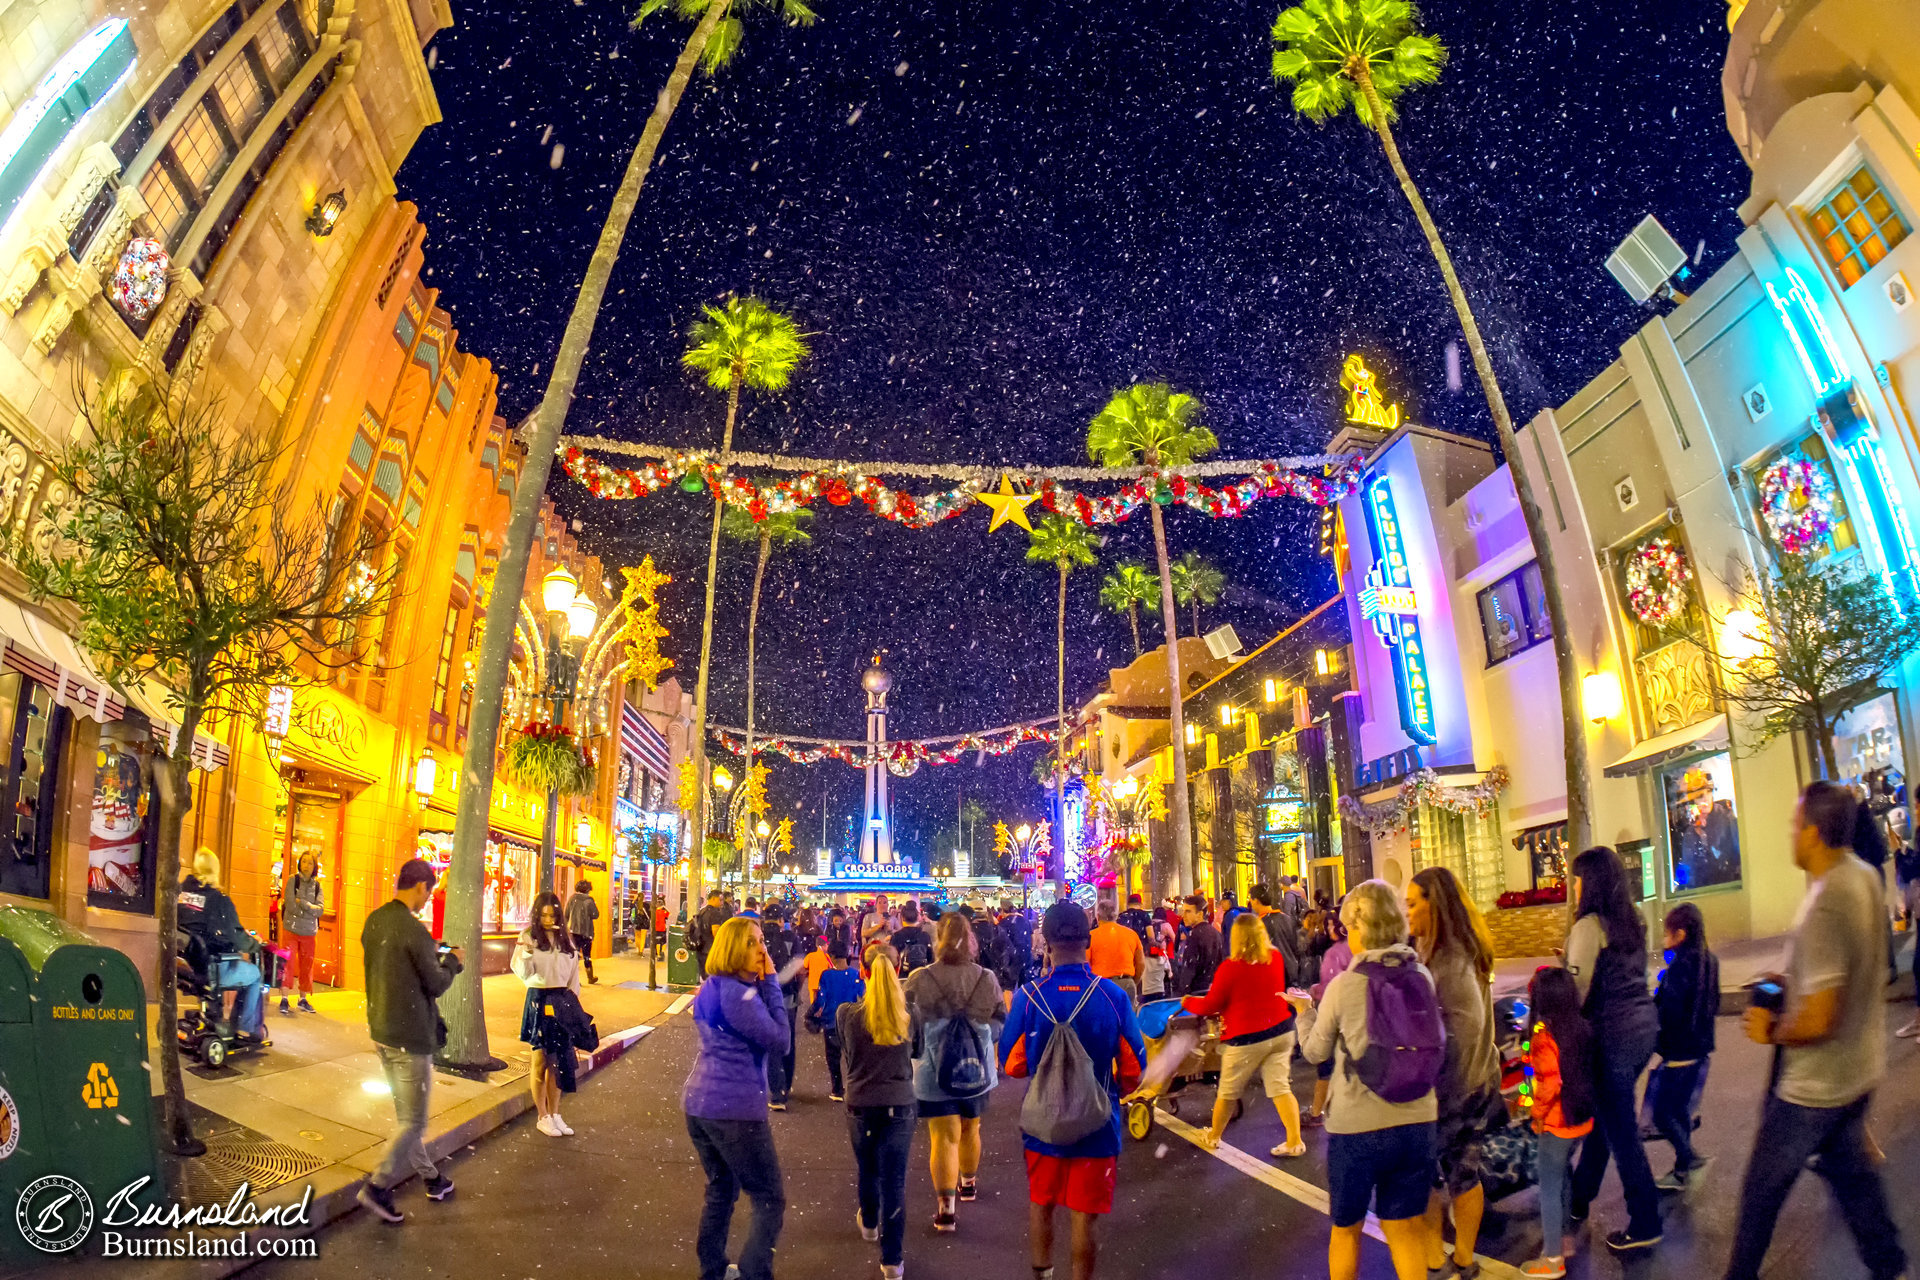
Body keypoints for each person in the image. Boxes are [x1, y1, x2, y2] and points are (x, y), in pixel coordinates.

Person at [1723, 782, 1907, 1280]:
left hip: (1813, 1090)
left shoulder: (1827, 901)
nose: (1790, 833)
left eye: (1794, 824)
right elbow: (1851, 964)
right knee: (1854, 1180)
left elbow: (1821, 1016)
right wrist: (1790, 979)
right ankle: (1889, 1264)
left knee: (1760, 1194)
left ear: (1814, 833)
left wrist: (1772, 1029)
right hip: (1857, 1072)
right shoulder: (1864, 875)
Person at [1294, 880, 1438, 1280]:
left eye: (1349, 926)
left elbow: (1315, 1052)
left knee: (1347, 1229)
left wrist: (1304, 1012)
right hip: (1418, 1118)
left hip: (1358, 1127)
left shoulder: (1344, 986)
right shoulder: (1421, 975)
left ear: (1361, 927)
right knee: (1405, 1228)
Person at [1001, 902, 1146, 1280]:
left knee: (1042, 1205)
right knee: (1085, 1218)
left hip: (1043, 1123)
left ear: (1046, 944)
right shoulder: (1113, 997)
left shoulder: (1029, 996)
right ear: (1088, 941)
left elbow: (1011, 1064)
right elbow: (1134, 1068)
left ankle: (1043, 1274)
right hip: (1097, 1123)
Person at [1562, 846, 1663, 1253]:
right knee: (1608, 1120)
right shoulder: (1632, 919)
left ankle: (1646, 1220)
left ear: (1590, 882)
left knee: (1620, 1130)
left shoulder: (1589, 927)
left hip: (1612, 1037)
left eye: (1577, 879)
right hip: (1642, 1028)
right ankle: (1579, 1199)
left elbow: (1579, 991)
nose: (1573, 887)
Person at [1407, 867, 1503, 1278]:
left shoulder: (1454, 960)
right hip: (1464, 1083)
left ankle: (1452, 1257)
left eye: (1413, 903)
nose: (1406, 912)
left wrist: (1433, 1092)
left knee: (1444, 1175)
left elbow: (1463, 1036)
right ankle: (1447, 1257)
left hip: (1457, 1089)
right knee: (1455, 1174)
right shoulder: (1433, 948)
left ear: (1435, 905)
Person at [684, 917, 790, 1280]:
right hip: (734, 1108)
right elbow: (780, 1040)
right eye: (752, 943)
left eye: (762, 941)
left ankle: (712, 1268)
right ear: (731, 949)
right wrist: (772, 983)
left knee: (722, 1188)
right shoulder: (739, 995)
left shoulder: (712, 986)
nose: (762, 950)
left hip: (700, 1103)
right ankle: (754, 1272)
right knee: (769, 1198)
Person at [356, 858, 461, 1222]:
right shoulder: (414, 930)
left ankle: (432, 1179)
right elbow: (436, 983)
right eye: (429, 892)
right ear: (420, 886)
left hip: (382, 1031)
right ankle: (378, 1186)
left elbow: (393, 965)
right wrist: (452, 963)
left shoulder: (375, 921)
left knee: (406, 1117)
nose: (428, 899)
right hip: (410, 1037)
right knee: (414, 1121)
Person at [906, 912, 1005, 1229]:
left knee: (943, 1136)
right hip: (976, 1067)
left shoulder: (921, 977)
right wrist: (979, 1032)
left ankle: (946, 1209)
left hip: (933, 1069)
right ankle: (968, 1183)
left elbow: (906, 1022)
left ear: (938, 940)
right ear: (971, 940)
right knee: (971, 1127)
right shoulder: (985, 977)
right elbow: (1000, 1022)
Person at [1180, 911, 1304, 1157]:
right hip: (1281, 1031)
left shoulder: (1231, 968)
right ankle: (1294, 1141)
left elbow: (1211, 1005)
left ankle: (1214, 1136)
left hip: (1246, 1037)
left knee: (1228, 1091)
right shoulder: (1275, 957)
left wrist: (1187, 1002)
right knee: (1280, 1087)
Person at [840, 945, 921, 1280]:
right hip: (899, 1102)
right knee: (895, 1181)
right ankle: (892, 1260)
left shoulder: (848, 1013)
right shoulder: (911, 1013)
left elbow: (847, 1054)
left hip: (860, 1101)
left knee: (867, 1168)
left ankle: (870, 1222)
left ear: (863, 969)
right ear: (899, 966)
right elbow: (919, 1052)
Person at [1522, 966, 1595, 1280]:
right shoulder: (1582, 1028)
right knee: (1563, 1176)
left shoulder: (1543, 1036)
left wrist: (1534, 1114)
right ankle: (1563, 1239)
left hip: (1555, 1122)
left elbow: (1548, 1085)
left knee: (1549, 1188)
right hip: (1580, 1120)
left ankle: (1552, 1260)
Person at [1651, 901, 1718, 1191]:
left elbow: (1669, 1013)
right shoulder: (1709, 960)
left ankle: (1688, 1158)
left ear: (1679, 934)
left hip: (1678, 1053)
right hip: (1699, 1050)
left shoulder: (1679, 967)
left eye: (1667, 932)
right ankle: (1681, 1169)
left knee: (1662, 1114)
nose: (1664, 939)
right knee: (1678, 1110)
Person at [513, 891, 583, 1137]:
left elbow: (574, 976)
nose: (547, 919)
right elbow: (522, 973)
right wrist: (527, 951)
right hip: (539, 998)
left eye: (552, 915)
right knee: (541, 1060)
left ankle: (555, 1114)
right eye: (542, 915)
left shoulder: (567, 941)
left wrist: (575, 1009)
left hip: (563, 999)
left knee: (560, 1062)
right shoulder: (528, 937)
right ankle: (542, 1116)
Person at [179, 849, 267, 1041]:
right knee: (254, 974)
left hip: (185, 965)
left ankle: (215, 1016)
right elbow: (235, 935)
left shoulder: (181, 892)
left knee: (231, 966)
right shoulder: (219, 900)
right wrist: (254, 944)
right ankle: (246, 1028)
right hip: (211, 967)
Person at [1305, 907, 1352, 1126]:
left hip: (1333, 1010)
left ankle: (1317, 1112)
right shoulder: (1353, 949)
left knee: (1324, 1061)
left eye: (1333, 924)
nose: (1329, 928)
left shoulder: (1335, 953)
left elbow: (1331, 985)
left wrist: (1314, 992)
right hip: (1350, 1014)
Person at [811, 939, 865, 1101]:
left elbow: (821, 998)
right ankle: (854, 1087)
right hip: (851, 1021)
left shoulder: (826, 975)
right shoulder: (855, 974)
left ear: (831, 956)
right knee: (851, 1056)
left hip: (831, 1021)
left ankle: (837, 1089)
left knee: (833, 1057)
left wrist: (813, 1014)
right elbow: (862, 996)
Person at [761, 907, 802, 1111]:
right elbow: (798, 966)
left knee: (768, 1042)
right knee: (787, 1040)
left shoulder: (757, 936)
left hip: (761, 996)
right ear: (780, 920)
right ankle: (784, 1087)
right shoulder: (790, 937)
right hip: (786, 996)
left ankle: (774, 1090)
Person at [277, 851, 323, 1014]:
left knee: (306, 966)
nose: (306, 865)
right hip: (292, 929)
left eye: (310, 863)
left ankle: (303, 999)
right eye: (304, 862)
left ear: (314, 866)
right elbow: (290, 905)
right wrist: (309, 910)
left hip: (309, 932)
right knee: (287, 964)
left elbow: (320, 910)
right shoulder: (292, 880)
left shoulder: (317, 886)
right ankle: (284, 998)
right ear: (300, 864)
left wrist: (303, 904)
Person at [1087, 902, 1146, 1004]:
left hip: (1101, 985)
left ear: (1097, 917)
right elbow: (1141, 963)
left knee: (1104, 1019)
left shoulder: (1091, 936)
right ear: (1116, 916)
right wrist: (1132, 981)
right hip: (1126, 983)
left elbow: (1086, 965)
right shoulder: (1131, 934)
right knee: (1127, 1018)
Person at [1250, 883, 1306, 988]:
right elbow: (1296, 948)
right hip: (1291, 975)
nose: (1251, 902)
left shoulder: (1259, 925)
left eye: (1251, 899)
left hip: (1272, 978)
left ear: (1256, 901)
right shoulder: (1286, 919)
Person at [1172, 895, 1225, 996]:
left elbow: (1189, 968)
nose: (1183, 915)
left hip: (1197, 993)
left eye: (1188, 911)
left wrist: (1183, 992)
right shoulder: (1215, 933)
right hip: (1213, 991)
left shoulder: (1194, 935)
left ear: (1200, 914)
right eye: (1183, 911)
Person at [690, 890, 733, 978]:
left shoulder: (703, 911)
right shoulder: (715, 913)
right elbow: (716, 932)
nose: (722, 903)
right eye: (720, 900)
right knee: (713, 977)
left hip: (701, 948)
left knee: (706, 976)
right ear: (713, 899)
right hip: (711, 949)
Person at [565, 879, 600, 985]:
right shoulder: (589, 900)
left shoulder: (572, 899)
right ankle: (590, 977)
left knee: (573, 955)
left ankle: (573, 979)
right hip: (586, 932)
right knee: (586, 955)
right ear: (588, 890)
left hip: (573, 932)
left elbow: (566, 914)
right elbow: (596, 915)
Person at [891, 900, 934, 975]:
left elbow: (891, 960)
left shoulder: (896, 936)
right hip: (921, 976)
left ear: (902, 918)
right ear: (917, 917)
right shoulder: (925, 936)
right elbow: (930, 959)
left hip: (901, 976)